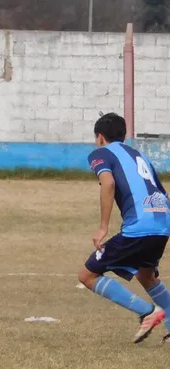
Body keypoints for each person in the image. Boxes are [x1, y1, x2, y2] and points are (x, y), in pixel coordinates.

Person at [77, 112, 170, 343]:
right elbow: (162, 193)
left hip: (139, 227)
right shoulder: (140, 156)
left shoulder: (100, 154)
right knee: (146, 275)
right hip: (162, 223)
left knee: (87, 275)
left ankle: (147, 312)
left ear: (100, 137)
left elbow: (108, 183)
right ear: (124, 136)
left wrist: (103, 228)